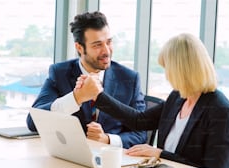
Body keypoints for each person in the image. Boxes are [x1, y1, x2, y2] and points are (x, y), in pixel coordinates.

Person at [74, 33, 229, 168]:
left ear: (181, 70)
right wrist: (98, 95)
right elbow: (139, 120)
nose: (167, 75)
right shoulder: (178, 97)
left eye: (168, 69)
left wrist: (159, 153)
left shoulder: (220, 111)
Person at [26, 11, 147, 148]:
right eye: (97, 45)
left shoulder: (129, 79)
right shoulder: (59, 73)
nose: (106, 51)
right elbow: (33, 122)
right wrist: (77, 97)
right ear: (79, 47)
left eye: (109, 42)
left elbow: (141, 133)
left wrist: (107, 139)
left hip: (111, 160)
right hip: (70, 156)